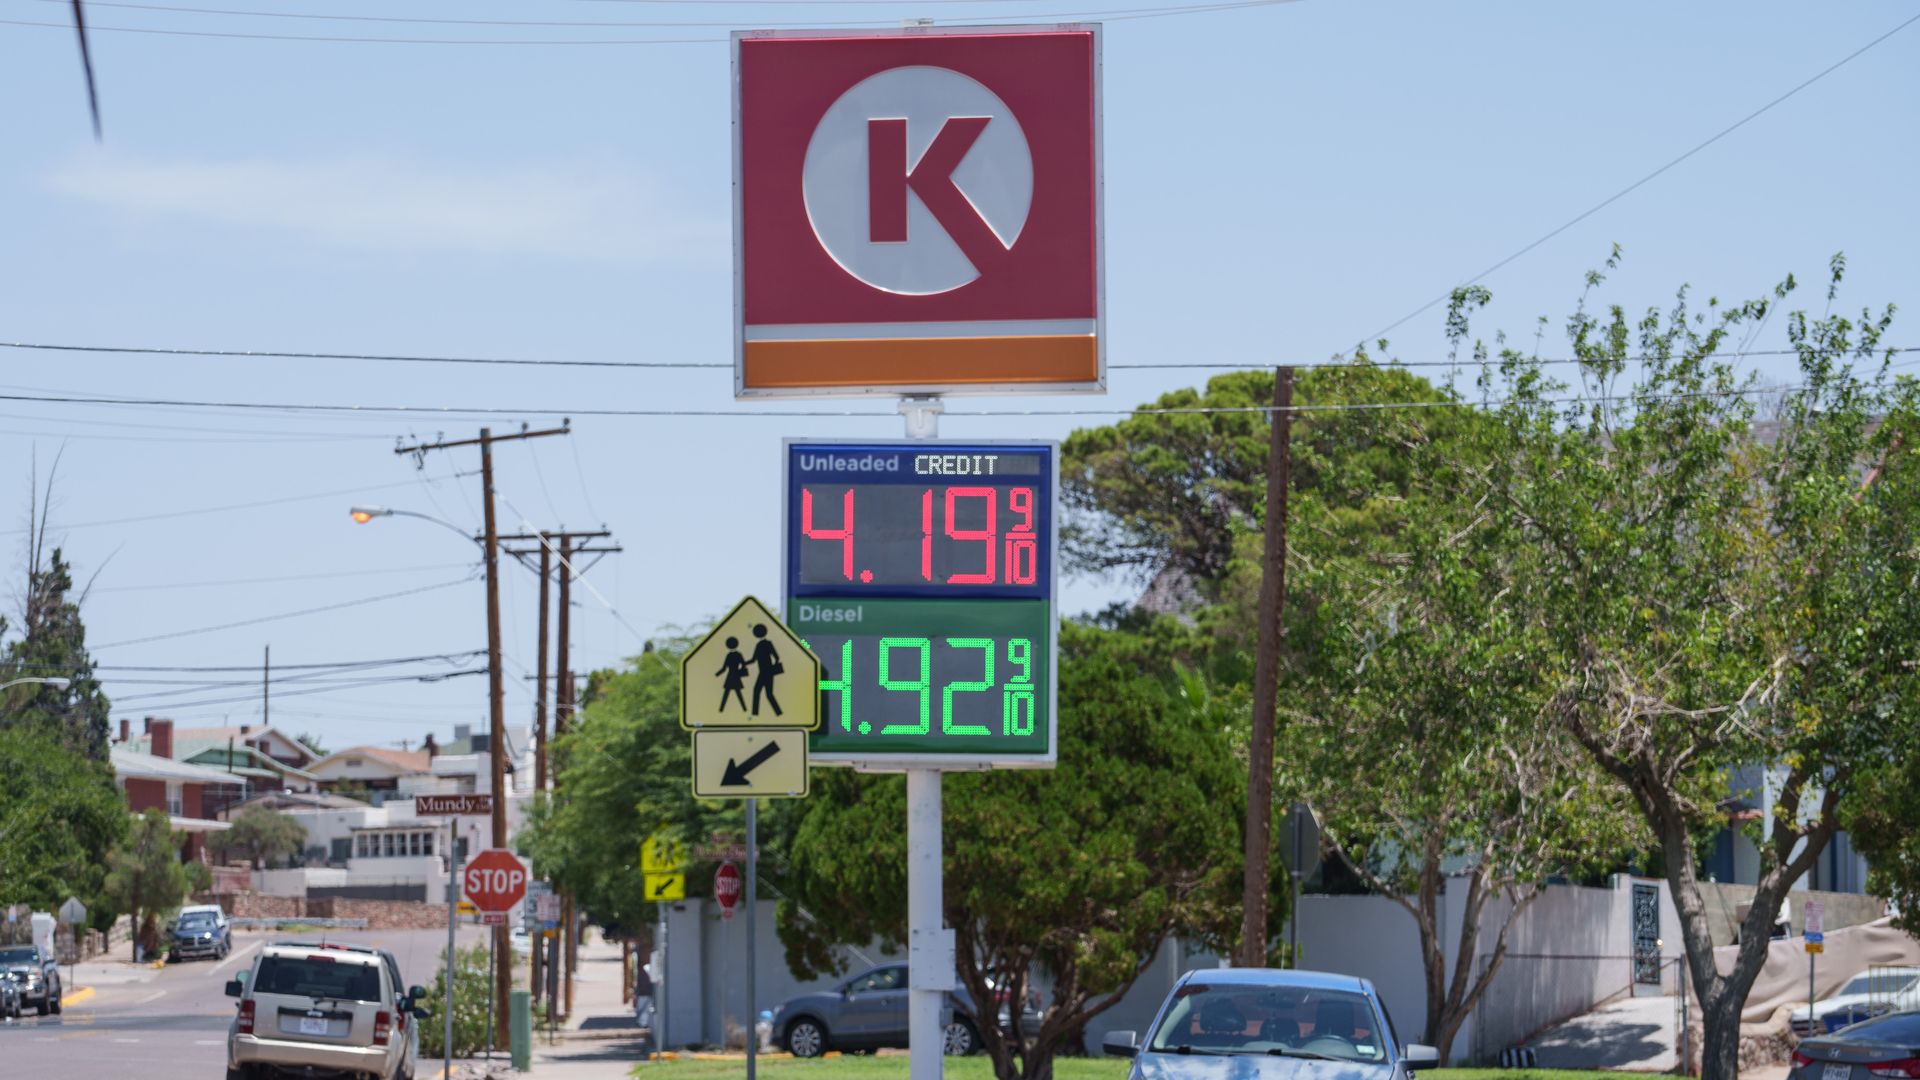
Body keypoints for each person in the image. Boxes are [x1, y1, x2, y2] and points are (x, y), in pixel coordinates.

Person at [749, 623, 784, 717]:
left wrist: (773, 668)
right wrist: (744, 663)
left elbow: (776, 656)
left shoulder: (767, 644)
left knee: (765, 693)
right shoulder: (759, 645)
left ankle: (777, 713)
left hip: (767, 673)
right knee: (763, 692)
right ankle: (757, 713)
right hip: (764, 672)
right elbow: (753, 660)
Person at [716, 637, 750, 713]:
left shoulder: (729, 655)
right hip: (736, 676)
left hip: (730, 676)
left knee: (727, 694)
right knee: (737, 693)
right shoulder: (738, 654)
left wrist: (717, 674)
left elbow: (724, 668)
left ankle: (721, 709)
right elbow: (743, 664)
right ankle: (744, 709)